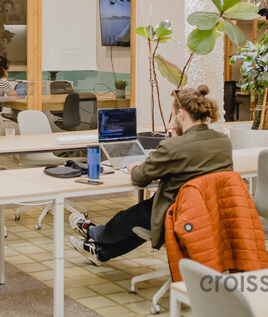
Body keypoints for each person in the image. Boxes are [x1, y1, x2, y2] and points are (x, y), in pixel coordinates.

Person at [68, 85, 233, 266]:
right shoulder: (223, 141)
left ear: (181, 114)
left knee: (130, 219)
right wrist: (176, 138)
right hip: (212, 215)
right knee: (142, 219)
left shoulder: (174, 146)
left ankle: (92, 231)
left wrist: (133, 167)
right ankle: (100, 252)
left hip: (177, 215)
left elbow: (140, 177)